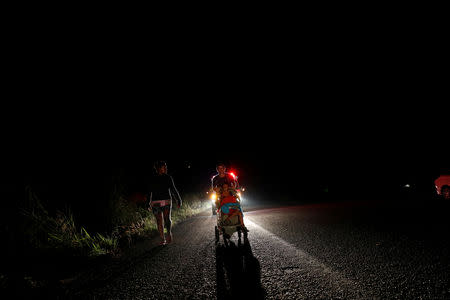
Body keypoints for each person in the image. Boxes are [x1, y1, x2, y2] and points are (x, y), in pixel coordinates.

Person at [147, 161, 182, 245]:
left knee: (167, 219)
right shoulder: (152, 178)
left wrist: (178, 199)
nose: (165, 168)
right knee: (159, 221)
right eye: (163, 167)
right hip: (155, 202)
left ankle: (168, 233)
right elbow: (149, 191)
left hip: (166, 201)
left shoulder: (168, 178)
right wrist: (148, 203)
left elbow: (173, 189)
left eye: (165, 167)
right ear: (158, 168)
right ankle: (162, 238)